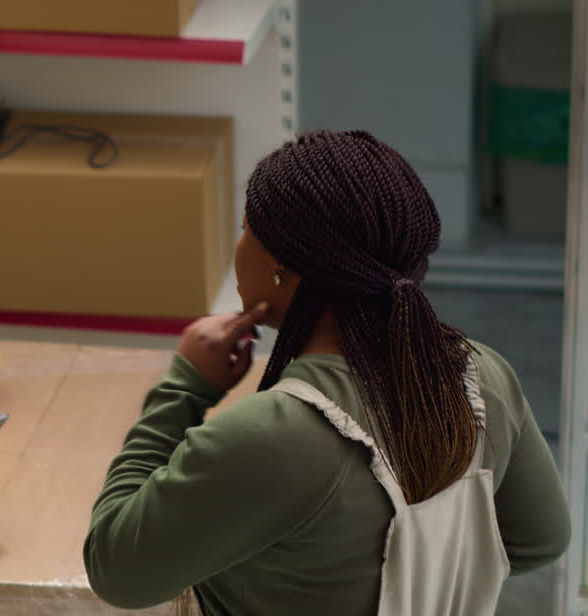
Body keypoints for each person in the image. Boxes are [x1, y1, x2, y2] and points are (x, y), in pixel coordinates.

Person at [83, 129, 570, 615]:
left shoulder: (272, 437)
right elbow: (540, 540)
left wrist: (184, 387)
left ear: (279, 266)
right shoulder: (482, 375)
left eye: (244, 228)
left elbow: (116, 570)